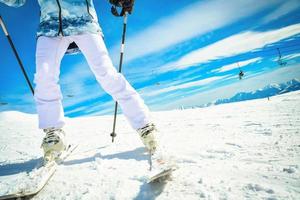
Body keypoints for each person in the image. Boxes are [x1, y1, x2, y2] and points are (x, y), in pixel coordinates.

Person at [1, 0, 167, 170]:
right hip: (49, 28)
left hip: (83, 23)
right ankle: (54, 134)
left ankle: (145, 126)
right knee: (44, 76)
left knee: (106, 73)